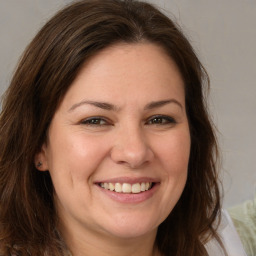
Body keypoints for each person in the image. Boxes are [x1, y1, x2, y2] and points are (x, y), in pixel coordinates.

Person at [0, 0, 246, 255]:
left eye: (159, 119)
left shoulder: (233, 245)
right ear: (38, 144)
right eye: (95, 120)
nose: (134, 153)